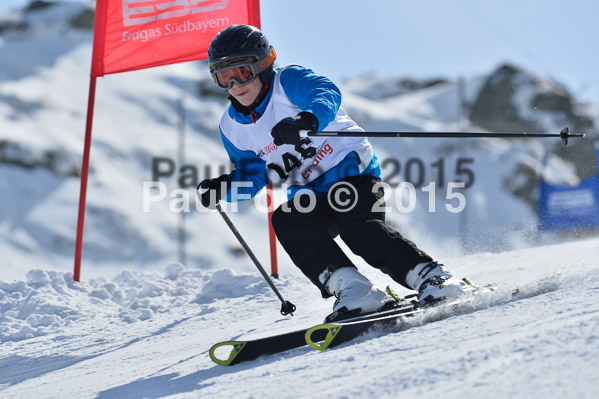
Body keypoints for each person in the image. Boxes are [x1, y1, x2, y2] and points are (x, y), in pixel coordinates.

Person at [197, 24, 473, 317]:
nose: (235, 86)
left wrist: (305, 120)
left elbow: (325, 92)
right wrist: (225, 188)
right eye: (223, 77)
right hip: (310, 193)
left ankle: (435, 278)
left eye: (242, 73)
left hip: (352, 173)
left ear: (263, 64)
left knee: (360, 231)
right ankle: (355, 289)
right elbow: (253, 174)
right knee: (288, 220)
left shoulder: (288, 81)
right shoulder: (231, 127)